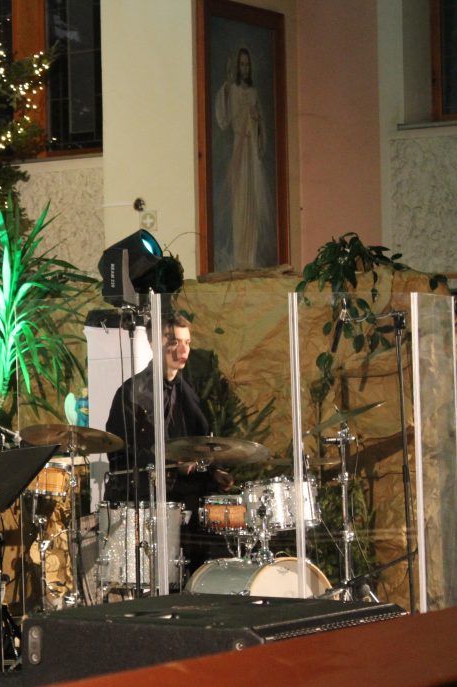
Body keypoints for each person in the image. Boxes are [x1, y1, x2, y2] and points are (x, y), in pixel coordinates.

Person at [104, 314, 230, 575]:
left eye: (187, 342)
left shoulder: (190, 393)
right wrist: (169, 463)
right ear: (153, 343)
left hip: (188, 507)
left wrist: (214, 471)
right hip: (149, 505)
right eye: (173, 341)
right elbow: (119, 453)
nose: (183, 350)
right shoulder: (131, 393)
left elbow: (202, 443)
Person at [214, 46, 273, 271]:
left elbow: (261, 127)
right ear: (238, 67)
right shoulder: (234, 90)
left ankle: (251, 256)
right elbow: (224, 120)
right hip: (239, 150)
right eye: (242, 64)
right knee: (240, 202)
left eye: (247, 64)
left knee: (253, 203)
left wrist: (256, 120)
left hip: (252, 152)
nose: (245, 68)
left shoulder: (254, 93)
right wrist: (227, 87)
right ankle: (241, 256)